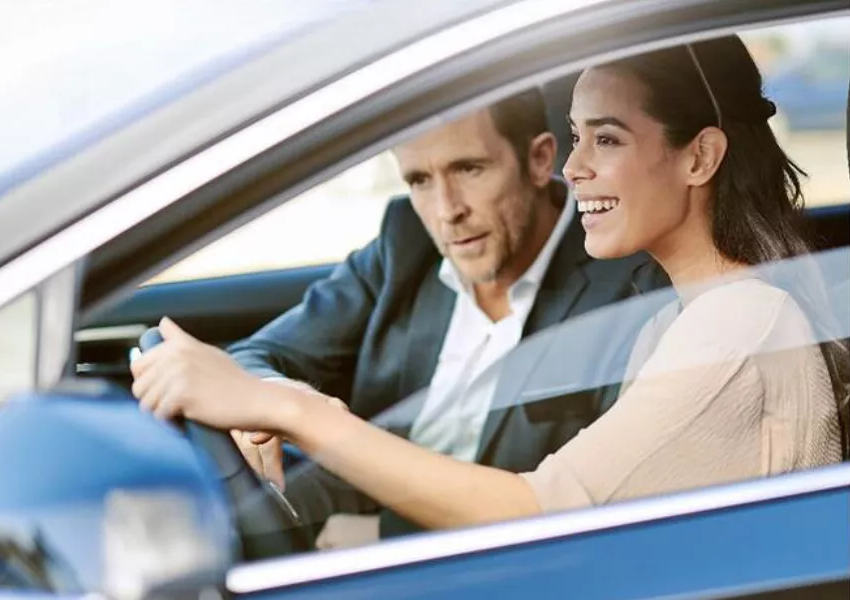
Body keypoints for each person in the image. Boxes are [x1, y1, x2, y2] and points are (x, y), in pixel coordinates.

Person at [131, 35, 848, 533]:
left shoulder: (737, 325)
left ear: (700, 157)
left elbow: (544, 511)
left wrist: (293, 409)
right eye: (575, 138)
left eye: (607, 138)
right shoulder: (682, 321)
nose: (574, 170)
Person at [224, 88, 666, 548]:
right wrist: (285, 401)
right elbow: (252, 358)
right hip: (323, 521)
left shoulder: (628, 289)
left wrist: (379, 537)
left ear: (539, 160)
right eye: (419, 180)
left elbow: (584, 505)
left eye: (469, 169)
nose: (446, 210)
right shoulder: (405, 241)